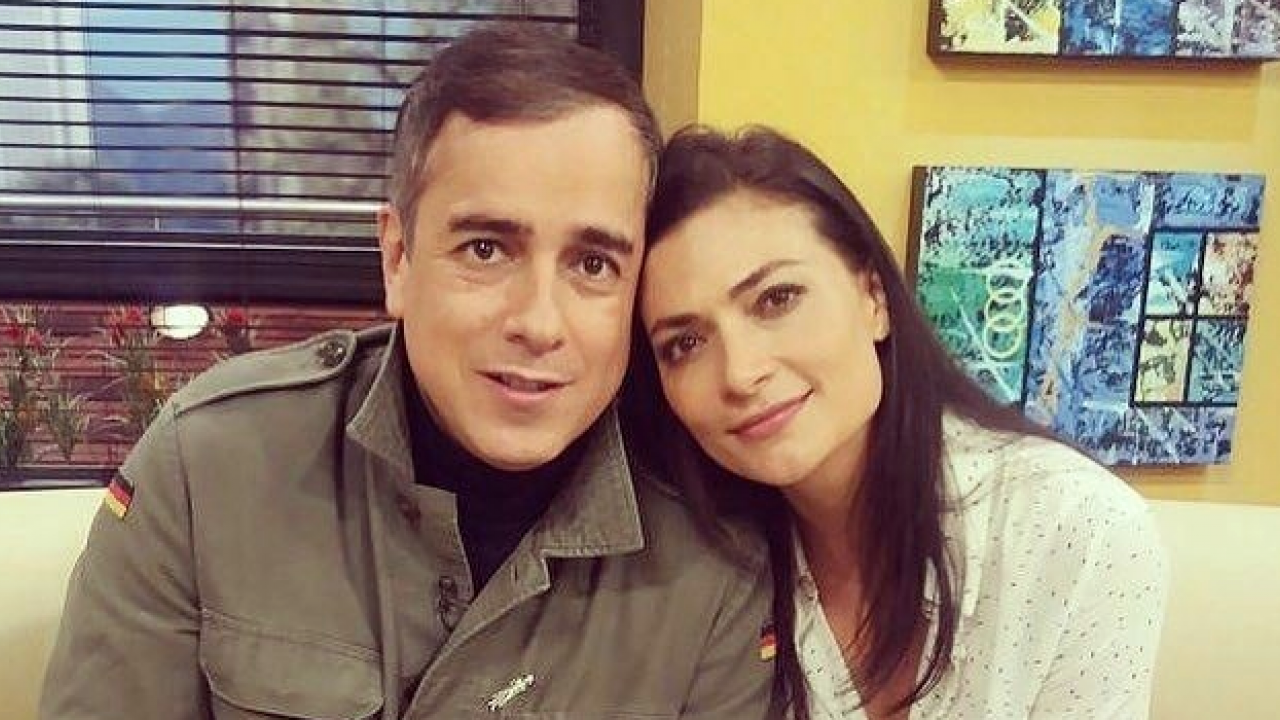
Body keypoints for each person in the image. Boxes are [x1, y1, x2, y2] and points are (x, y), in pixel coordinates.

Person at [40, 28, 776, 720]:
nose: (539, 323)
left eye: (592, 264)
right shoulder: (211, 470)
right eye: (486, 249)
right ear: (398, 259)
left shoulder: (711, 564)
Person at [626, 126, 1169, 720]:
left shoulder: (1073, 528)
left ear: (874, 297)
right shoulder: (693, 569)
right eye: (685, 344)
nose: (740, 372)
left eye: (776, 299)